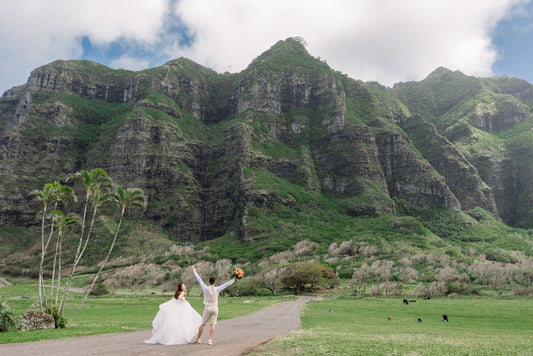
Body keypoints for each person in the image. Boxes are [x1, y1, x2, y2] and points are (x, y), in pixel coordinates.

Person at [192, 265, 236, 345]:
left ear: (209, 282)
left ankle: (198, 339)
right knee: (213, 324)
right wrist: (234, 279)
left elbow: (199, 280)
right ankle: (210, 340)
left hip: (208, 307)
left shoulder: (205, 288)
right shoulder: (217, 288)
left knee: (203, 324)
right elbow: (226, 284)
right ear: (214, 282)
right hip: (215, 307)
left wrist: (194, 270)